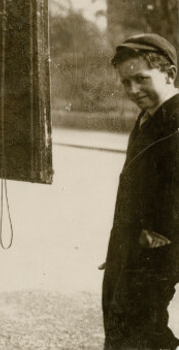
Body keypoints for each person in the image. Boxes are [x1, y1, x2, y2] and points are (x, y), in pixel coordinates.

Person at [103, 33, 179, 349]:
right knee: (121, 324)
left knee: (139, 334)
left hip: (156, 257)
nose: (132, 90)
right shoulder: (148, 117)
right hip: (131, 251)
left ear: (170, 74)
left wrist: (155, 241)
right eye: (125, 83)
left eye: (141, 79)